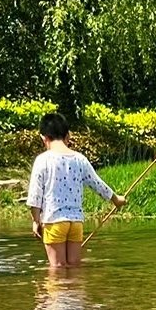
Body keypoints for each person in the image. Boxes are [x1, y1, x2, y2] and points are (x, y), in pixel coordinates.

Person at [27, 112, 126, 269]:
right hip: (76, 222)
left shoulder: (43, 160)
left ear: (43, 138)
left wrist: (36, 221)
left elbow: (35, 196)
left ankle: (55, 294)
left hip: (54, 221)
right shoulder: (80, 159)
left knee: (57, 268)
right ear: (68, 135)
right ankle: (75, 294)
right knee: (73, 267)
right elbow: (97, 183)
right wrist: (116, 199)